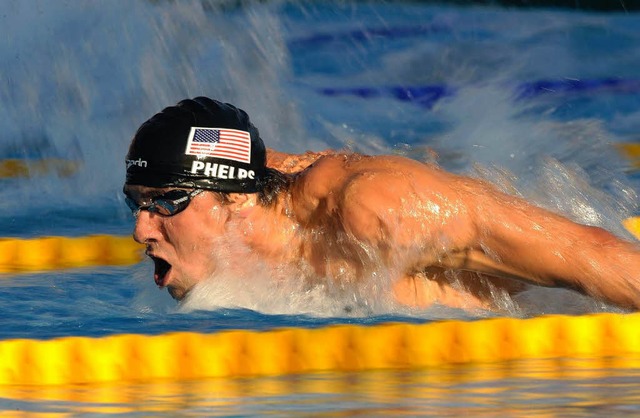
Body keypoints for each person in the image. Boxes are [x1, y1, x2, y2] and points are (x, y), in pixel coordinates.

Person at [123, 96, 640, 311]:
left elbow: (584, 253)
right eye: (137, 204)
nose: (142, 231)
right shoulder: (247, 201)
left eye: (164, 204)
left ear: (234, 199)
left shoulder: (373, 212)